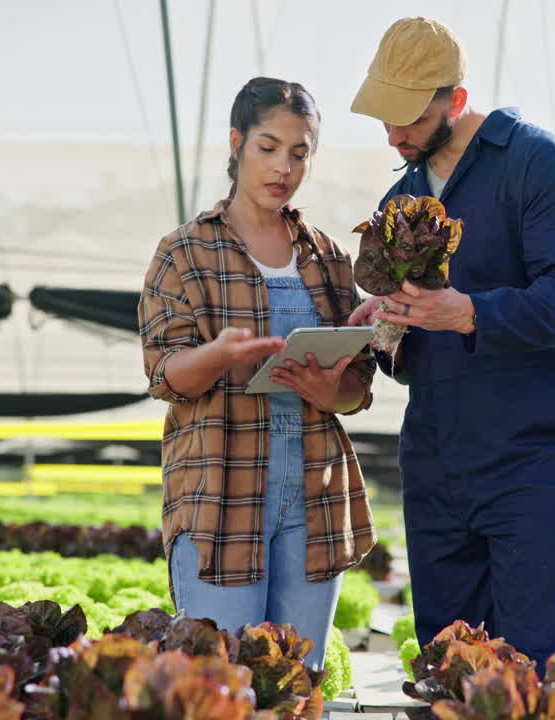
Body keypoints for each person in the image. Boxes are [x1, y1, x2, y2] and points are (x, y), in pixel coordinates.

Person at [348, 17, 555, 670]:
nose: (393, 132)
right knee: (451, 670)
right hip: (435, 464)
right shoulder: (400, 198)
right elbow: (409, 358)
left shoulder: (537, 165)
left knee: (539, 667)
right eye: (384, 114)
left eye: (406, 116)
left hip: (530, 462)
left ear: (454, 102)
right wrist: (383, 329)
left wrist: (467, 314)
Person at [138, 77, 376, 670]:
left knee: (297, 681)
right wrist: (219, 354)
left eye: (300, 153)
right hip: (222, 495)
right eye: (268, 148)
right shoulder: (185, 252)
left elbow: (358, 384)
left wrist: (334, 391)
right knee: (224, 681)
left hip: (315, 495)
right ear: (236, 143)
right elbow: (166, 375)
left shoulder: (326, 256)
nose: (284, 168)